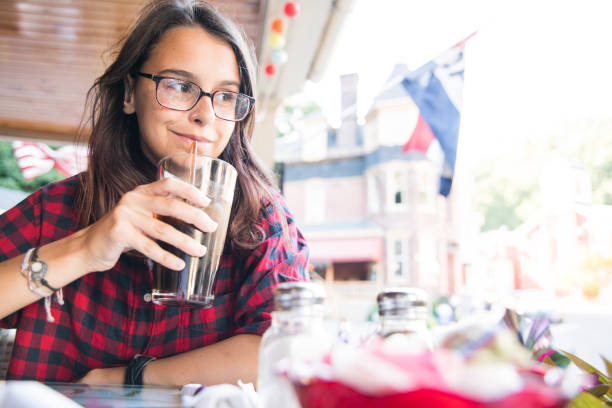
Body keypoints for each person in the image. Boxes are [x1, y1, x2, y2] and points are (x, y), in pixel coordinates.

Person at [0, 0, 309, 386]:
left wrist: (129, 377)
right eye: (180, 86)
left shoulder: (261, 221)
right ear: (130, 93)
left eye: (226, 96)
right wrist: (86, 248)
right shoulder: (55, 212)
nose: (206, 115)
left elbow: (288, 354)